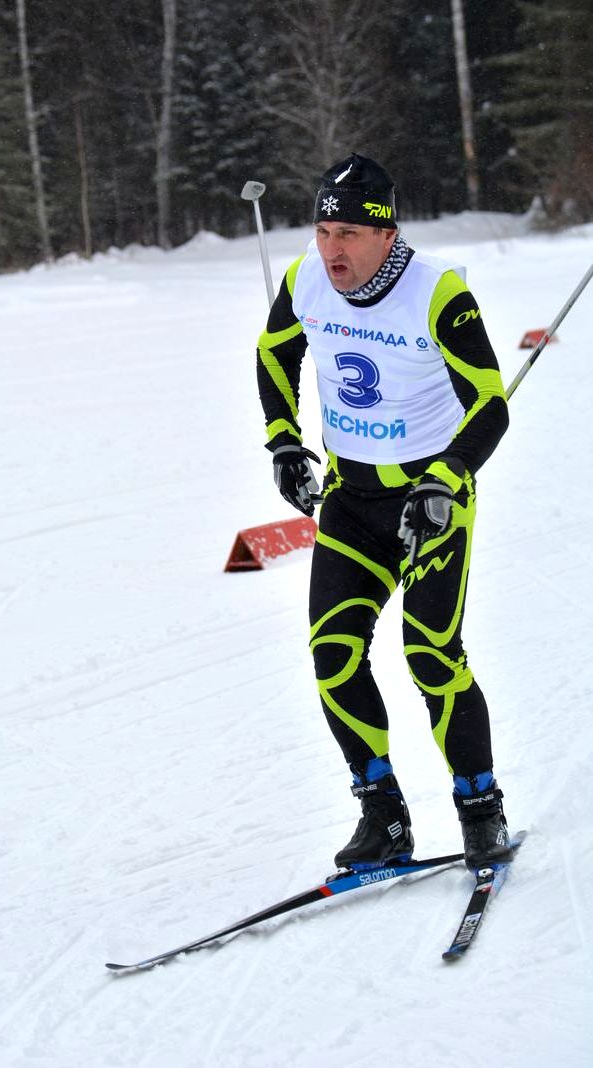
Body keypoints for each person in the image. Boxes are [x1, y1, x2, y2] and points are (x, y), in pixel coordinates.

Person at [256, 152, 514, 872]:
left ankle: (480, 807)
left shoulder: (438, 292)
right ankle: (383, 816)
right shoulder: (305, 278)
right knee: (334, 658)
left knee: (431, 654)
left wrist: (447, 477)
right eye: (322, 231)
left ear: (385, 234)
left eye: (347, 234)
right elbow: (274, 354)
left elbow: (489, 402)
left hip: (429, 501)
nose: (331, 250)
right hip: (351, 499)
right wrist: (284, 441)